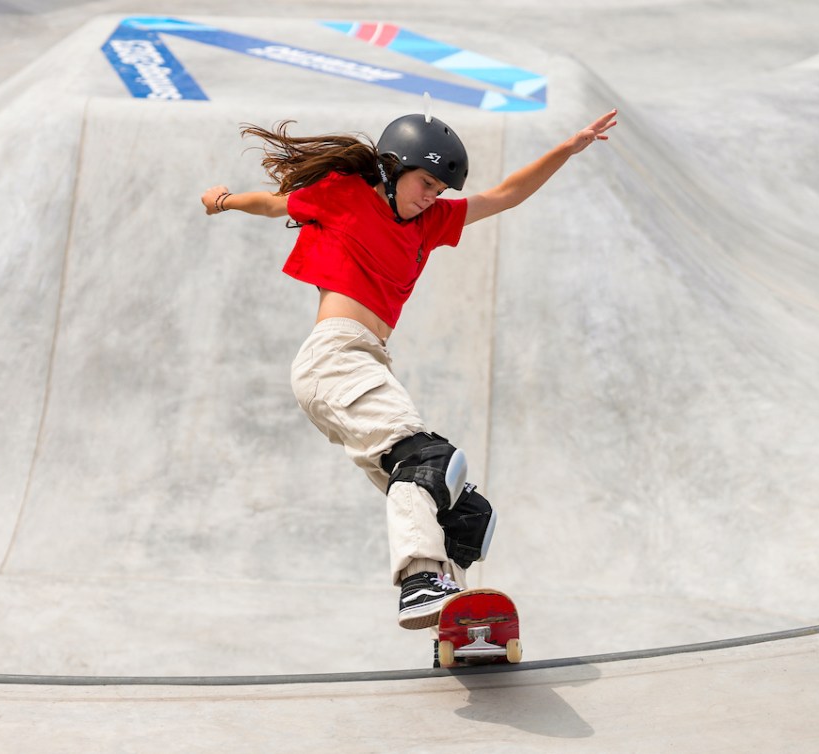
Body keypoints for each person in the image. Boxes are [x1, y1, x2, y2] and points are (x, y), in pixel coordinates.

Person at [201, 108, 618, 630]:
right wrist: (222, 200)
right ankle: (420, 584)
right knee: (426, 463)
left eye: (440, 190)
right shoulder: (345, 196)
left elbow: (507, 194)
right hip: (335, 357)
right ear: (392, 169)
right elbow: (271, 204)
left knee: (460, 509)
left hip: (367, 362)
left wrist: (568, 148)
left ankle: (458, 617)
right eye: (425, 183)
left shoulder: (432, 221)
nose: (431, 197)